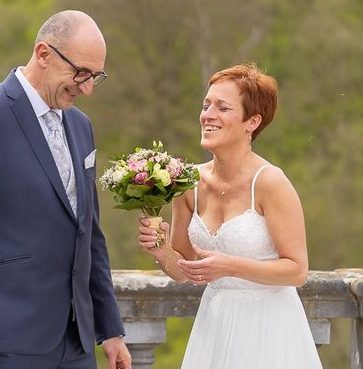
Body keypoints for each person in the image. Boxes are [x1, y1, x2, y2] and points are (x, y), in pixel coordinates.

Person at [0, 10, 132, 369]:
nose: (86, 88)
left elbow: (89, 234)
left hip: (78, 344)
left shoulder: (81, 126)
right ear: (43, 53)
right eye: (80, 73)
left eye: (95, 77)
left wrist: (110, 330)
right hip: (6, 340)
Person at [138, 63, 323, 368]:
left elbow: (297, 270)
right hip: (215, 327)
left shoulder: (270, 182)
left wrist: (231, 266)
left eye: (222, 107)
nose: (208, 114)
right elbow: (184, 270)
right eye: (206, 104)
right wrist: (160, 252)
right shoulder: (188, 183)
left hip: (269, 331)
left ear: (252, 121)